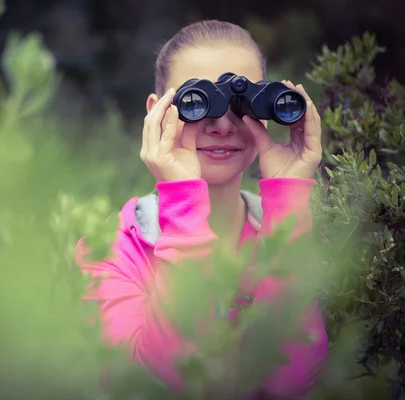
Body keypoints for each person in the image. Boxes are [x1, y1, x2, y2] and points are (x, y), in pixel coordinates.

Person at [75, 19, 329, 399]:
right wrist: (181, 197)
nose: (223, 126)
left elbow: (291, 383)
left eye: (241, 105)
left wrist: (288, 202)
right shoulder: (108, 250)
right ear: (156, 113)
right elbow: (155, 383)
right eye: (197, 102)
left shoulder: (300, 233)